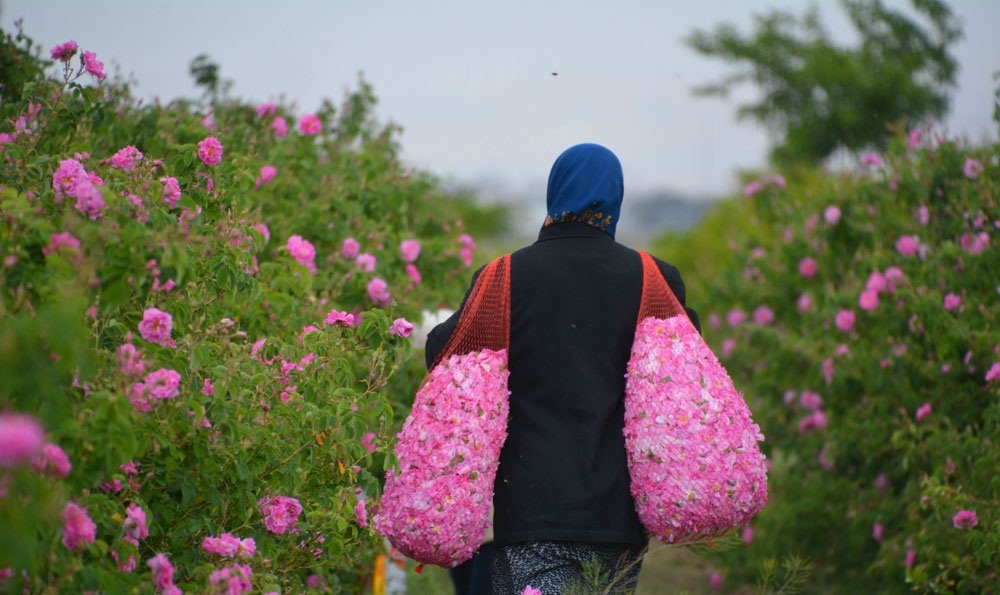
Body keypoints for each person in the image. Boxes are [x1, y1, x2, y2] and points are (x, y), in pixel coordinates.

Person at [425, 143, 700, 594]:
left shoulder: (504, 277)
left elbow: (442, 355)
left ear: (556, 192)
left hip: (529, 510)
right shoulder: (653, 279)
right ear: (615, 196)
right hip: (617, 517)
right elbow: (689, 365)